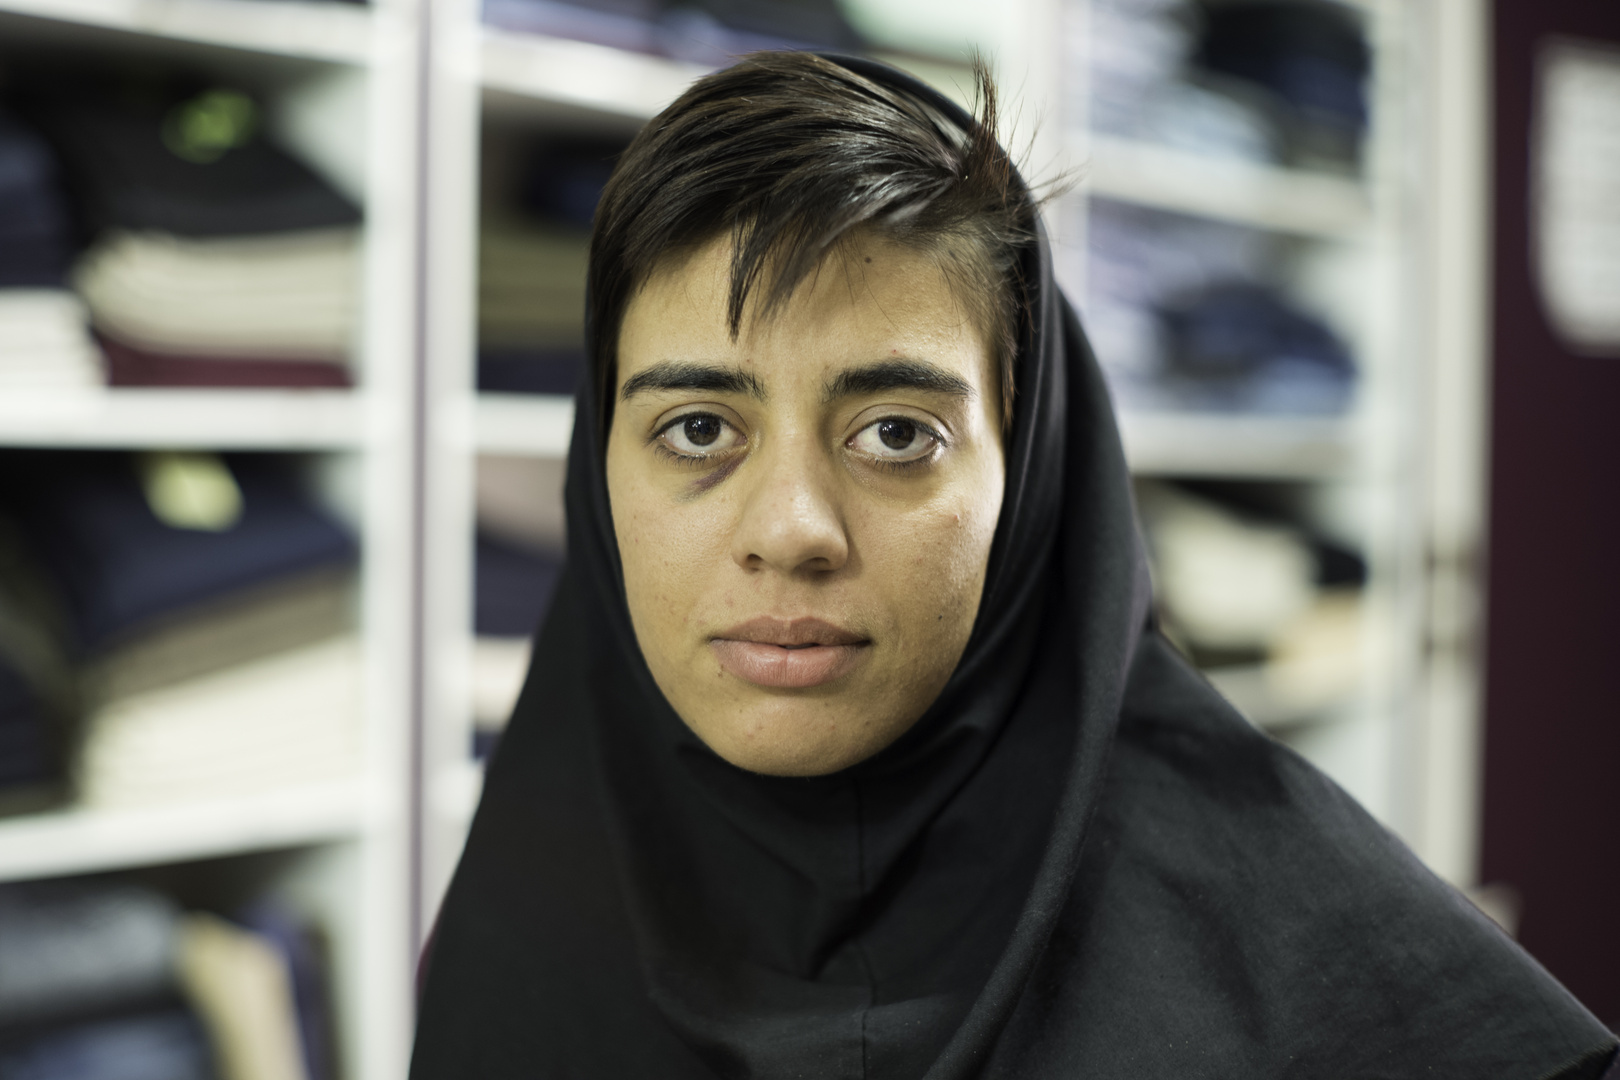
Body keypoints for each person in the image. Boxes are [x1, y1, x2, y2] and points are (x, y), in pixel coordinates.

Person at [410, 52, 1617, 1078]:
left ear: (1028, 470)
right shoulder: (532, 901)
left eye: (895, 434)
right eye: (698, 430)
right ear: (597, 462)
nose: (790, 528)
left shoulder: (1306, 950)